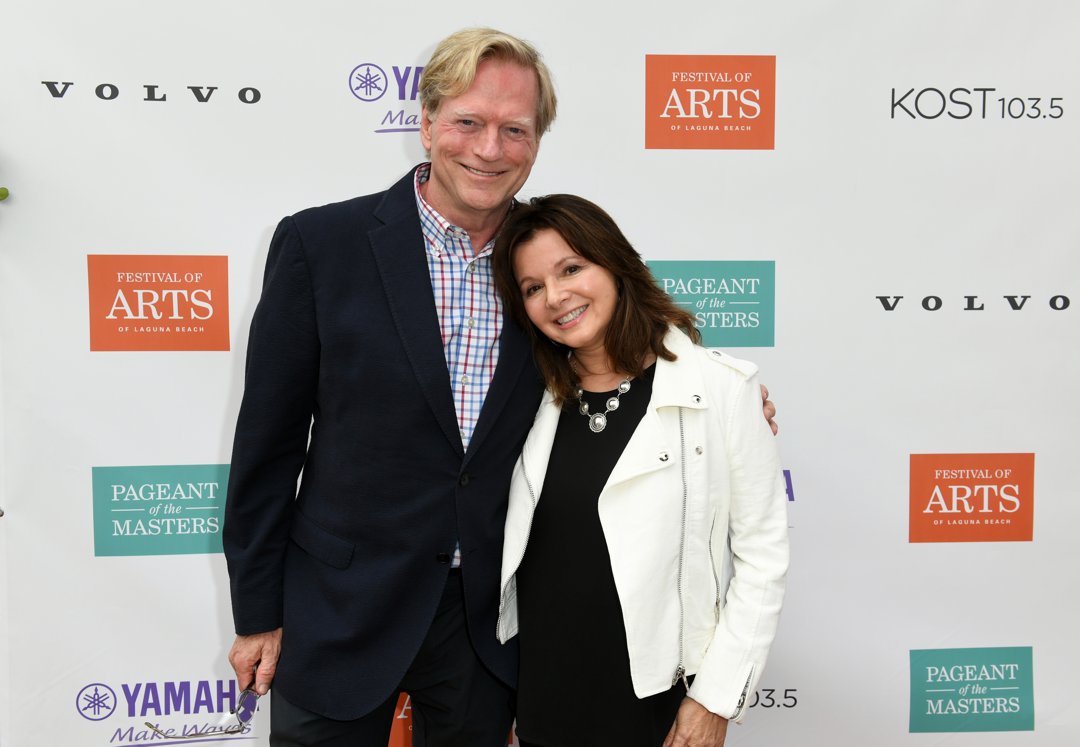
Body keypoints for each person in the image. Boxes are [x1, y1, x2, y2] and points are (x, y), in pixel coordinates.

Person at [223, 27, 776, 747]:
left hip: (490, 626)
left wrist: (724, 398)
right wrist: (257, 612)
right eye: (468, 122)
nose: (490, 149)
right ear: (426, 124)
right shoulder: (320, 245)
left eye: (515, 129)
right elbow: (266, 447)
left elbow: (626, 342)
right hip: (339, 609)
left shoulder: (544, 257)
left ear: (536, 142)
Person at [492, 194, 790, 747]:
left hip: (661, 707)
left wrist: (715, 699)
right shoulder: (523, 397)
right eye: (532, 288)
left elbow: (763, 559)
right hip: (540, 702)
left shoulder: (721, 389)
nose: (555, 297)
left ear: (616, 264)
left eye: (571, 269)